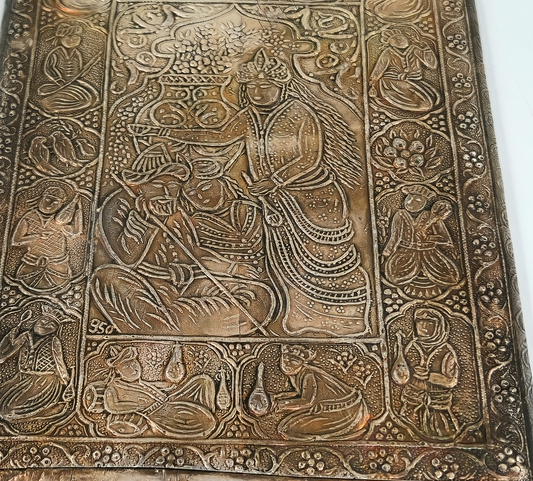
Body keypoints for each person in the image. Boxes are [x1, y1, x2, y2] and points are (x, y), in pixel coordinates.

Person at [130, 49, 371, 336]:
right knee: (285, 262)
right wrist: (166, 133)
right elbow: (217, 136)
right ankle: (300, 318)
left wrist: (274, 180)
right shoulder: (249, 116)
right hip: (275, 201)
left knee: (324, 260)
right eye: (252, 86)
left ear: (280, 86)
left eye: (265, 86)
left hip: (314, 199)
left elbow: (309, 157)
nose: (257, 92)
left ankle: (343, 321)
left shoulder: (299, 112)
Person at [93, 145, 275, 336]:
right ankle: (176, 324)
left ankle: (168, 324)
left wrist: (232, 268)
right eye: (159, 186)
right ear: (140, 185)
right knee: (105, 279)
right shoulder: (118, 206)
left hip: (186, 288)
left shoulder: (176, 211)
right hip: (148, 289)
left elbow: (195, 253)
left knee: (258, 296)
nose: (168, 193)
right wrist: (144, 221)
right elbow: (127, 259)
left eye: (173, 186)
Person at [93, 346, 217, 439]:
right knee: (196, 421)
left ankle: (205, 411)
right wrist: (137, 407)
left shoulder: (141, 382)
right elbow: (111, 406)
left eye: (133, 363)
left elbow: (159, 387)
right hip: (156, 413)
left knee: (203, 381)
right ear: (117, 371)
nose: (133, 368)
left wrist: (171, 387)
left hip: (168, 399)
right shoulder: (114, 387)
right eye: (126, 367)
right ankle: (203, 421)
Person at [0, 307, 73, 428]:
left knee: (9, 409)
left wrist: (66, 381)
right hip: (23, 378)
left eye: (52, 325)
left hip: (45, 381)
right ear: (37, 320)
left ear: (56, 329)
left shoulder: (54, 341)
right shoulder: (26, 336)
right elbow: (3, 355)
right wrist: (11, 334)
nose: (46, 325)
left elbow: (59, 362)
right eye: (44, 320)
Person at [271, 345, 370, 439]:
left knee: (288, 429)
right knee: (286, 428)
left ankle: (318, 443)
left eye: (294, 361)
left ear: (302, 363)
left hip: (344, 412)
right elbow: (301, 394)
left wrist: (280, 405)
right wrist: (279, 397)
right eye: (285, 359)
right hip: (328, 409)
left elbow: (307, 401)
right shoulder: (297, 373)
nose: (287, 363)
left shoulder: (308, 374)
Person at [392, 308, 460, 439]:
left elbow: (451, 381)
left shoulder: (446, 351)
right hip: (412, 401)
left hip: (437, 405)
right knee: (406, 433)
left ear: (439, 327)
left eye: (429, 323)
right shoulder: (412, 346)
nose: (423, 327)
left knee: (443, 434)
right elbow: (402, 371)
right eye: (419, 322)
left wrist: (429, 376)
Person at [382, 185, 460, 298]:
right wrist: (387, 252)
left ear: (423, 203)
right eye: (409, 198)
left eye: (416, 200)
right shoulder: (400, 215)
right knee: (393, 276)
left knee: (451, 277)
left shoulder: (431, 216)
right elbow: (395, 237)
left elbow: (446, 239)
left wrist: (430, 238)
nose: (411, 203)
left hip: (430, 253)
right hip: (406, 252)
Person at [12, 185, 83, 290]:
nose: (50, 205)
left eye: (55, 202)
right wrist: (37, 236)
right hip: (31, 263)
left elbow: (76, 232)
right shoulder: (29, 216)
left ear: (60, 205)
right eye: (48, 200)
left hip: (58, 265)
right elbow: (15, 241)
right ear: (41, 199)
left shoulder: (61, 221)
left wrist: (79, 209)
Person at [36, 22, 100, 116]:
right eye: (69, 37)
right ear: (60, 38)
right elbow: (49, 68)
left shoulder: (76, 53)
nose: (72, 40)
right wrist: (58, 79)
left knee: (91, 98)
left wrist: (87, 68)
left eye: (76, 37)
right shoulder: (56, 53)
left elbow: (79, 71)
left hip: (73, 83)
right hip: (59, 84)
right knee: (86, 99)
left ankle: (58, 107)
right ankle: (49, 104)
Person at [369, 29, 439, 114]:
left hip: (414, 80)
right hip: (391, 83)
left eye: (401, 38)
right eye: (396, 39)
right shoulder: (388, 52)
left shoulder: (414, 49)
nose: (400, 41)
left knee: (428, 100)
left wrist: (426, 49)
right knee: (424, 103)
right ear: (390, 42)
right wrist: (373, 81)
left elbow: (432, 65)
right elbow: (379, 68)